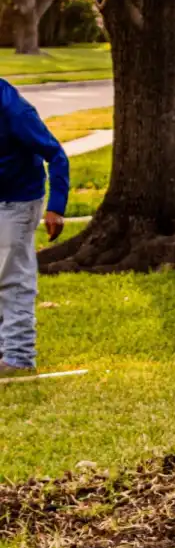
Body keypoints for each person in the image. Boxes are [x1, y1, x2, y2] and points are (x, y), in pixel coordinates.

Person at [0, 78, 68, 376]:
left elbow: (56, 154)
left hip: (18, 200)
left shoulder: (13, 108)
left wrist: (56, 207)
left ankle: (18, 359)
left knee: (14, 278)